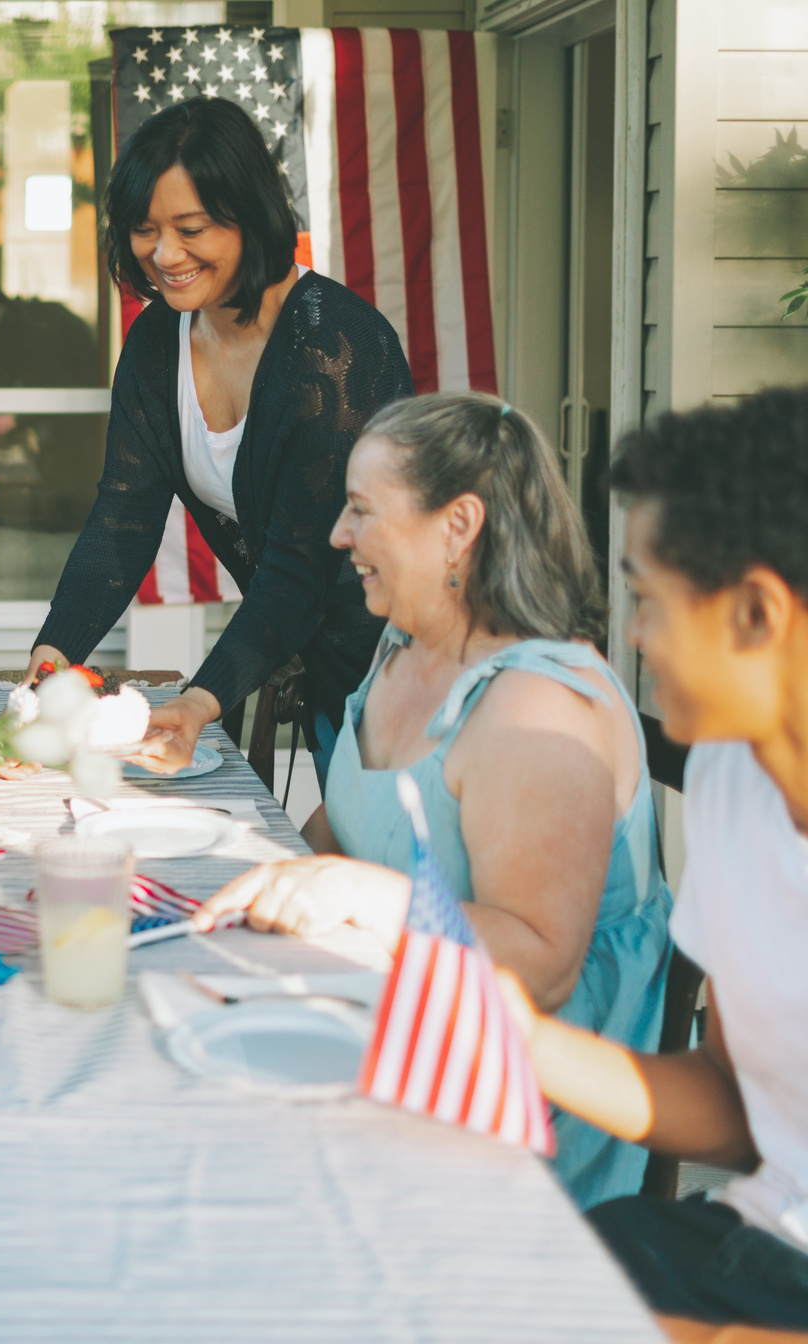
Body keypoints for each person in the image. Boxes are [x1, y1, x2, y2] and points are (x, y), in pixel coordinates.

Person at [193, 392, 671, 1205]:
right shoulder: (404, 642)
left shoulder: (538, 708)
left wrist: (355, 894)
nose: (341, 536)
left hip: (515, 1111)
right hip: (392, 1015)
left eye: (361, 511)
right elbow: (347, 826)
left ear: (458, 527)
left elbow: (543, 968)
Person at [499, 387, 808, 1341]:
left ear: (755, 612)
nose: (631, 638)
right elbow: (738, 1109)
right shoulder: (729, 772)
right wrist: (516, 1040)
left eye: (651, 600)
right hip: (752, 1250)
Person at [27, 98, 411, 785]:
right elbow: (122, 520)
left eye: (191, 228)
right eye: (145, 230)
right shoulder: (156, 341)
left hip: (403, 668)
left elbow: (301, 568)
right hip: (307, 653)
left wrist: (201, 700)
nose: (163, 254)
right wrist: (54, 656)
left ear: (251, 214)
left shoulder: (334, 351)